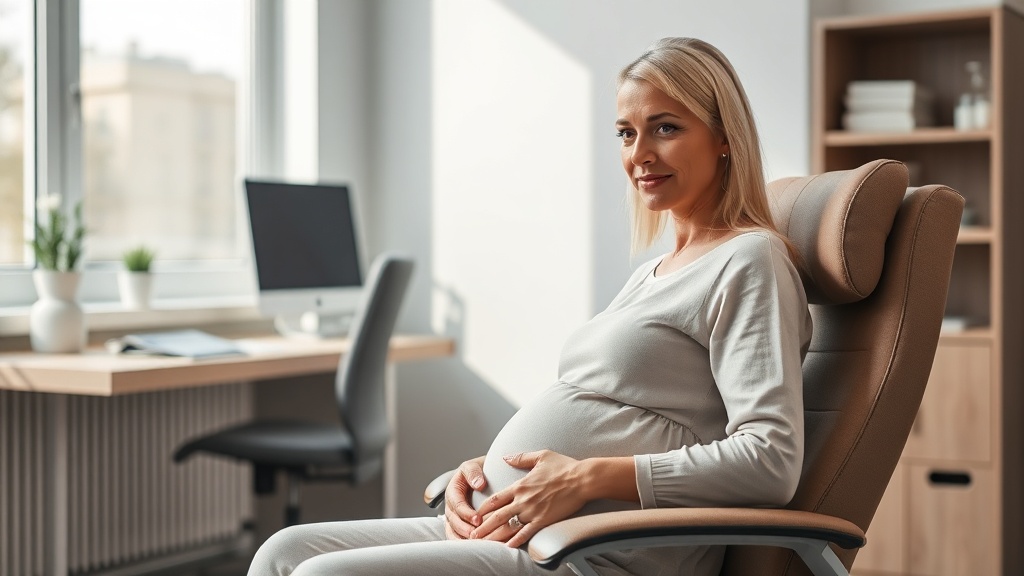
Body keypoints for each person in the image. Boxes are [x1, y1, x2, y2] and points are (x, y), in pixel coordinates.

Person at [248, 36, 812, 576]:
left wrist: (586, 479)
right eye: (624, 133)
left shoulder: (749, 260)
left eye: (665, 128)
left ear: (723, 137)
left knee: (322, 573)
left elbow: (770, 461)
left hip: (596, 554)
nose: (638, 154)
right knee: (286, 551)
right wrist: (484, 472)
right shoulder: (654, 273)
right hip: (512, 527)